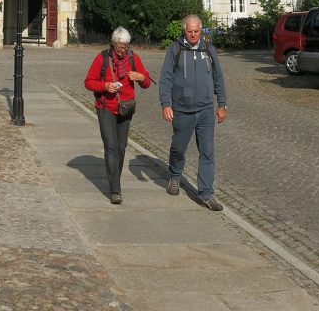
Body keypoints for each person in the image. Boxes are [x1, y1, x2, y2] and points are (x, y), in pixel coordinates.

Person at [159, 14, 227, 212]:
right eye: (190, 31)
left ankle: (206, 193)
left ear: (201, 30)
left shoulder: (209, 50)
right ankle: (174, 175)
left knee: (207, 152)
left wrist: (222, 105)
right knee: (178, 148)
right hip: (182, 109)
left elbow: (218, 78)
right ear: (184, 30)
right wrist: (166, 104)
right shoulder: (176, 49)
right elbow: (166, 78)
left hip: (206, 110)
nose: (193, 35)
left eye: (196, 31)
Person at [84, 26, 152, 204]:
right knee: (111, 147)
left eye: (126, 46)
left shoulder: (133, 58)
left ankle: (115, 179)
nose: (123, 49)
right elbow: (89, 82)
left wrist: (140, 77)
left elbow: (146, 83)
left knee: (121, 148)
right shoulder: (102, 58)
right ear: (113, 44)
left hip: (125, 108)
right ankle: (115, 189)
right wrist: (105, 86)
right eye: (120, 46)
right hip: (106, 108)